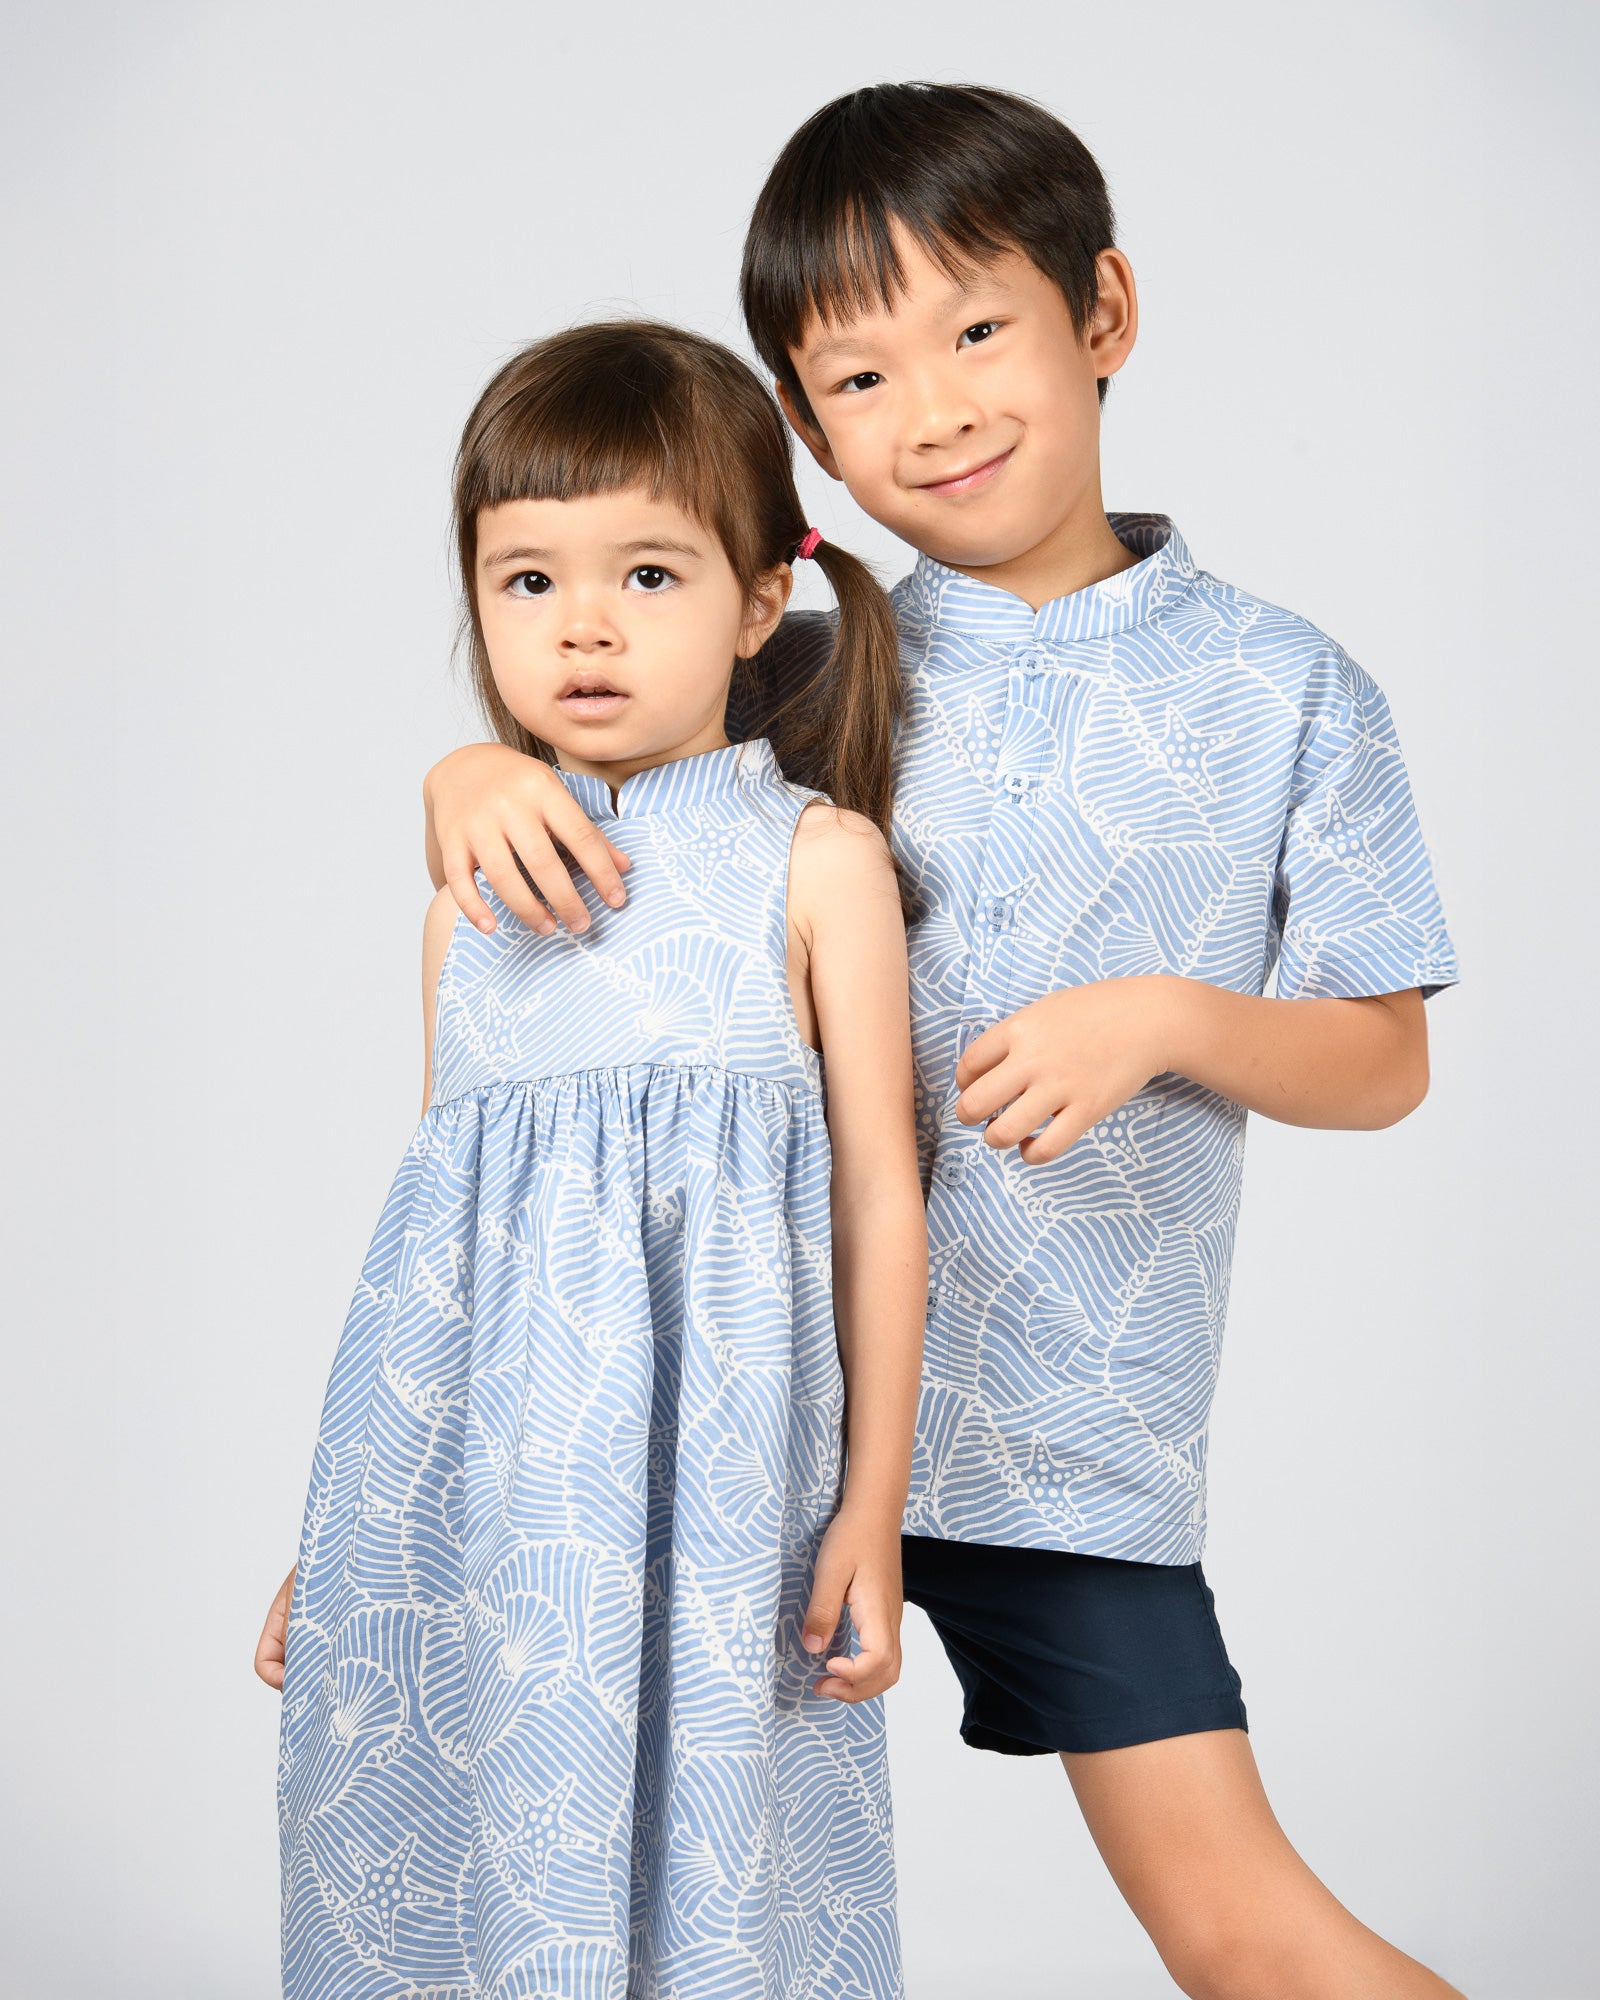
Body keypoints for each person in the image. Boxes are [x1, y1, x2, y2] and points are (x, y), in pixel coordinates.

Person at [416, 85, 1467, 1998]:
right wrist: (468, 767)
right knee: (623, 1928)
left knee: (1243, 1933)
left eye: (979, 330)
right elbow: (587, 753)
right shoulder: (798, 669)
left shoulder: (1286, 687)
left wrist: (1165, 1021)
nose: (939, 408)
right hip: (726, 1419)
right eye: (862, 378)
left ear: (1105, 313)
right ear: (807, 436)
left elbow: (1383, 1061)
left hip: (1063, 1438)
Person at [254, 320, 926, 2000]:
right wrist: (338, 1534)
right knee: (464, 1875)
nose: (586, 626)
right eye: (528, 582)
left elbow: (877, 1193)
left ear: (764, 596)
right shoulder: (461, 906)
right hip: (471, 1510)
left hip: (719, 1498)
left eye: (646, 571)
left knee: (720, 1885)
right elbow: (432, 1270)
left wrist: (874, 1506)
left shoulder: (814, 862)